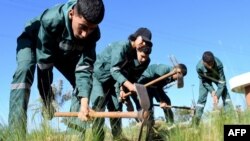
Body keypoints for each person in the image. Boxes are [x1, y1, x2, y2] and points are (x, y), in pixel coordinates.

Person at [8, 0, 105, 139]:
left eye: (91, 28)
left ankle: (74, 136)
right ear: (71, 14)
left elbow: (84, 68)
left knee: (83, 88)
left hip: (61, 49)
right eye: (83, 27)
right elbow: (44, 67)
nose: (85, 34)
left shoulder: (92, 35)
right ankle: (15, 136)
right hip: (34, 40)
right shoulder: (51, 20)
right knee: (24, 70)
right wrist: (47, 101)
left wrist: (85, 103)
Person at [85, 27, 153, 141]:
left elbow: (123, 75)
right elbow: (115, 70)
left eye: (147, 43)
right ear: (136, 38)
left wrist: (122, 90)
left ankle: (117, 137)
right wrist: (130, 86)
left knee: (117, 108)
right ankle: (98, 138)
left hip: (112, 82)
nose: (144, 44)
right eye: (143, 41)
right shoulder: (121, 47)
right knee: (99, 106)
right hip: (98, 79)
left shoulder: (132, 55)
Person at [128, 63, 187, 140]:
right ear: (177, 72)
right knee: (148, 109)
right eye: (179, 77)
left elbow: (158, 87)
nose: (177, 79)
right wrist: (161, 101)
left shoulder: (172, 77)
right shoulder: (163, 69)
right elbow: (155, 84)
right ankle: (148, 132)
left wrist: (162, 100)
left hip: (154, 87)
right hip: (144, 85)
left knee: (167, 101)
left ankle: (170, 125)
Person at [192, 51, 234, 127]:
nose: (210, 67)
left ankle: (231, 120)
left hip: (217, 77)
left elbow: (222, 81)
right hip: (205, 80)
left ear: (214, 59)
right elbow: (204, 81)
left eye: (212, 63)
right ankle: (195, 125)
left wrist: (217, 95)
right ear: (203, 62)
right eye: (208, 64)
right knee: (201, 99)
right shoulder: (199, 67)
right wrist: (212, 90)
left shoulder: (219, 64)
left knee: (225, 93)